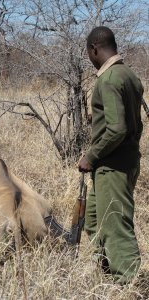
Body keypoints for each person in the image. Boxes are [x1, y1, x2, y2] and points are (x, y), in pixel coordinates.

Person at [78, 26, 143, 284]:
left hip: (112, 167)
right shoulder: (129, 75)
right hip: (120, 163)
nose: (90, 58)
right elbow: (135, 125)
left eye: (89, 53)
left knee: (116, 227)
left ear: (95, 49)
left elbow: (117, 129)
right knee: (94, 221)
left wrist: (91, 156)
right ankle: (104, 279)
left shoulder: (109, 79)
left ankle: (129, 285)